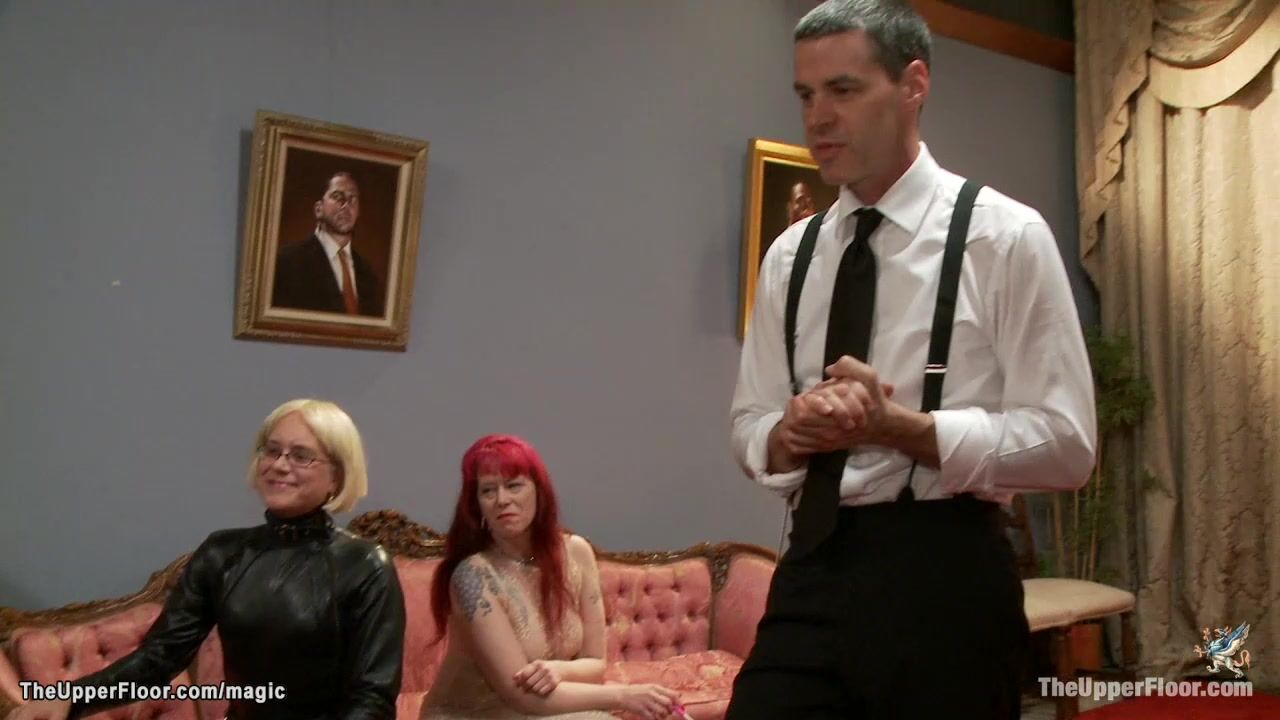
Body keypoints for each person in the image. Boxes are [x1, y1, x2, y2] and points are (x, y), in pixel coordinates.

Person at [726, 1, 1097, 718]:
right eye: (806, 95)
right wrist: (787, 433)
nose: (818, 118)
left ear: (913, 85)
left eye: (843, 89)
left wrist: (906, 430)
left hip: (947, 579)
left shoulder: (1004, 238)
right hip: (811, 566)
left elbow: (1068, 445)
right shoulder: (791, 256)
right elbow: (749, 423)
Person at [7, 399, 406, 720]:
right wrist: (70, 698)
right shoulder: (223, 553)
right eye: (272, 450)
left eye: (302, 456)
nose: (280, 464)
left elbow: (372, 697)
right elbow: (159, 658)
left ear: (337, 476)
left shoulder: (365, 564)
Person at [420, 435, 681, 720]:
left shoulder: (577, 552)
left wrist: (558, 670)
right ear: (477, 506)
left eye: (513, 485)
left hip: (539, 708)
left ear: (539, 491)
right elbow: (519, 694)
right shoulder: (473, 575)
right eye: (488, 491)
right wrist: (624, 695)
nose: (502, 500)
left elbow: (595, 663)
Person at [272, 171, 386, 317]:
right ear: (318, 209)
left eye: (352, 198)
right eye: (337, 196)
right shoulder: (287, 261)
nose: (346, 205)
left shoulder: (368, 275)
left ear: (358, 212)